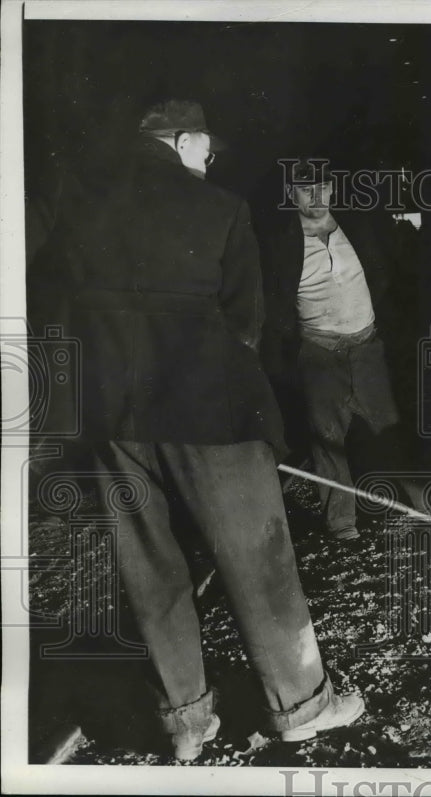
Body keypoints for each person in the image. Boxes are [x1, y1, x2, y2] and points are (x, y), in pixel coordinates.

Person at [32, 100, 364, 761]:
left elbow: (51, 304)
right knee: (257, 558)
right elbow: (245, 325)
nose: (207, 164)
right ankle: (303, 703)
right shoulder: (220, 209)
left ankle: (185, 721)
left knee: (149, 568)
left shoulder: (78, 203)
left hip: (113, 416)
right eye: (205, 151)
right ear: (184, 140)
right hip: (208, 413)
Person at [259, 160, 414, 540]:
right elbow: (274, 303)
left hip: (367, 348)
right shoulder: (282, 242)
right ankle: (342, 522)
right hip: (319, 353)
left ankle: (408, 506)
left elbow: (389, 265)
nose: (316, 195)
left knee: (388, 428)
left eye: (323, 186)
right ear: (290, 194)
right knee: (327, 439)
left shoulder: (357, 226)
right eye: (305, 188)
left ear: (332, 188)